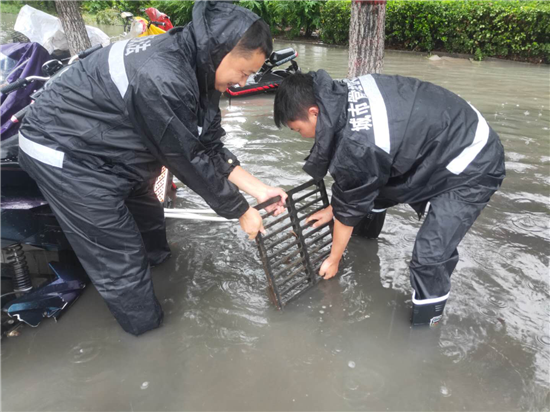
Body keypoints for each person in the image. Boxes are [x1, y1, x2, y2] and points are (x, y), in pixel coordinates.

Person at [17, 2, 287, 336]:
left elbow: (208, 145)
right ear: (222, 51)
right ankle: (148, 335)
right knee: (122, 258)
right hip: (68, 153)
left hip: (111, 147)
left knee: (150, 226)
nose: (242, 81)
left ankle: (158, 268)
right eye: (244, 72)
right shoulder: (162, 77)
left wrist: (261, 191)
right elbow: (188, 159)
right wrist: (241, 211)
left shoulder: (200, 69)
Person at [273, 70, 505, 326]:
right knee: (371, 186)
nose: (302, 136)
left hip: (473, 162)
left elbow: (356, 168)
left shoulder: (358, 143)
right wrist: (334, 209)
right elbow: (358, 183)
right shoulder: (339, 93)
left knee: (430, 256)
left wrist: (333, 259)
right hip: (446, 134)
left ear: (314, 112)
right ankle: (365, 243)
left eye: (299, 129)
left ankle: (426, 329)